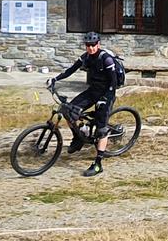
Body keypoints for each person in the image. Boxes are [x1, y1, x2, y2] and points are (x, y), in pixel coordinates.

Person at [50, 32, 119, 177]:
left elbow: (114, 82)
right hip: (93, 91)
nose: (91, 48)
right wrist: (55, 79)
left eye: (93, 45)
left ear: (98, 44)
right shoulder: (86, 57)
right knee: (67, 111)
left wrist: (105, 98)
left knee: (101, 130)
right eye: (88, 45)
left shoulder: (106, 59)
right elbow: (70, 70)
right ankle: (78, 138)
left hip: (107, 93)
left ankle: (98, 164)